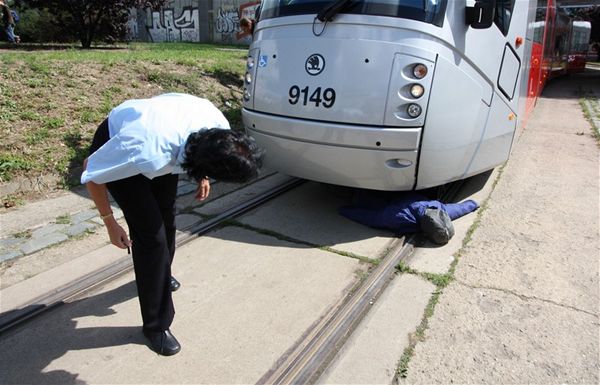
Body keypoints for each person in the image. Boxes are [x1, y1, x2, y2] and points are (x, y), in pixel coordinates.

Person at [81, 93, 263, 356]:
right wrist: (110, 222)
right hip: (122, 140)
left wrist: (202, 175)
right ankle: (156, 326)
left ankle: (159, 275)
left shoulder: (217, 127)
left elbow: (205, 153)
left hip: (166, 140)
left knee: (167, 216)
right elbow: (91, 172)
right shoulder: (143, 151)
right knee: (151, 236)